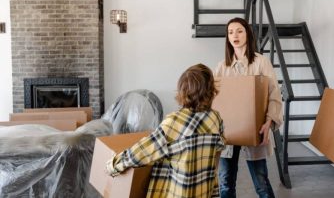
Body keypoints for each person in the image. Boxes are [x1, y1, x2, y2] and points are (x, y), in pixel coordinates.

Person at [105, 64, 226, 198]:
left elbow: (143, 152)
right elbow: (217, 153)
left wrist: (114, 165)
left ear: (183, 90)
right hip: (204, 191)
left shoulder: (175, 122)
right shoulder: (215, 118)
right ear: (210, 91)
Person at [215, 17, 283, 198]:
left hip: (255, 128)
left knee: (261, 182)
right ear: (227, 38)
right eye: (230, 32)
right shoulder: (222, 67)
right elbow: (214, 100)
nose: (234, 35)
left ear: (247, 34)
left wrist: (269, 121)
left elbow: (274, 94)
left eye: (239, 31)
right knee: (225, 182)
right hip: (228, 132)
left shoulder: (261, 63)